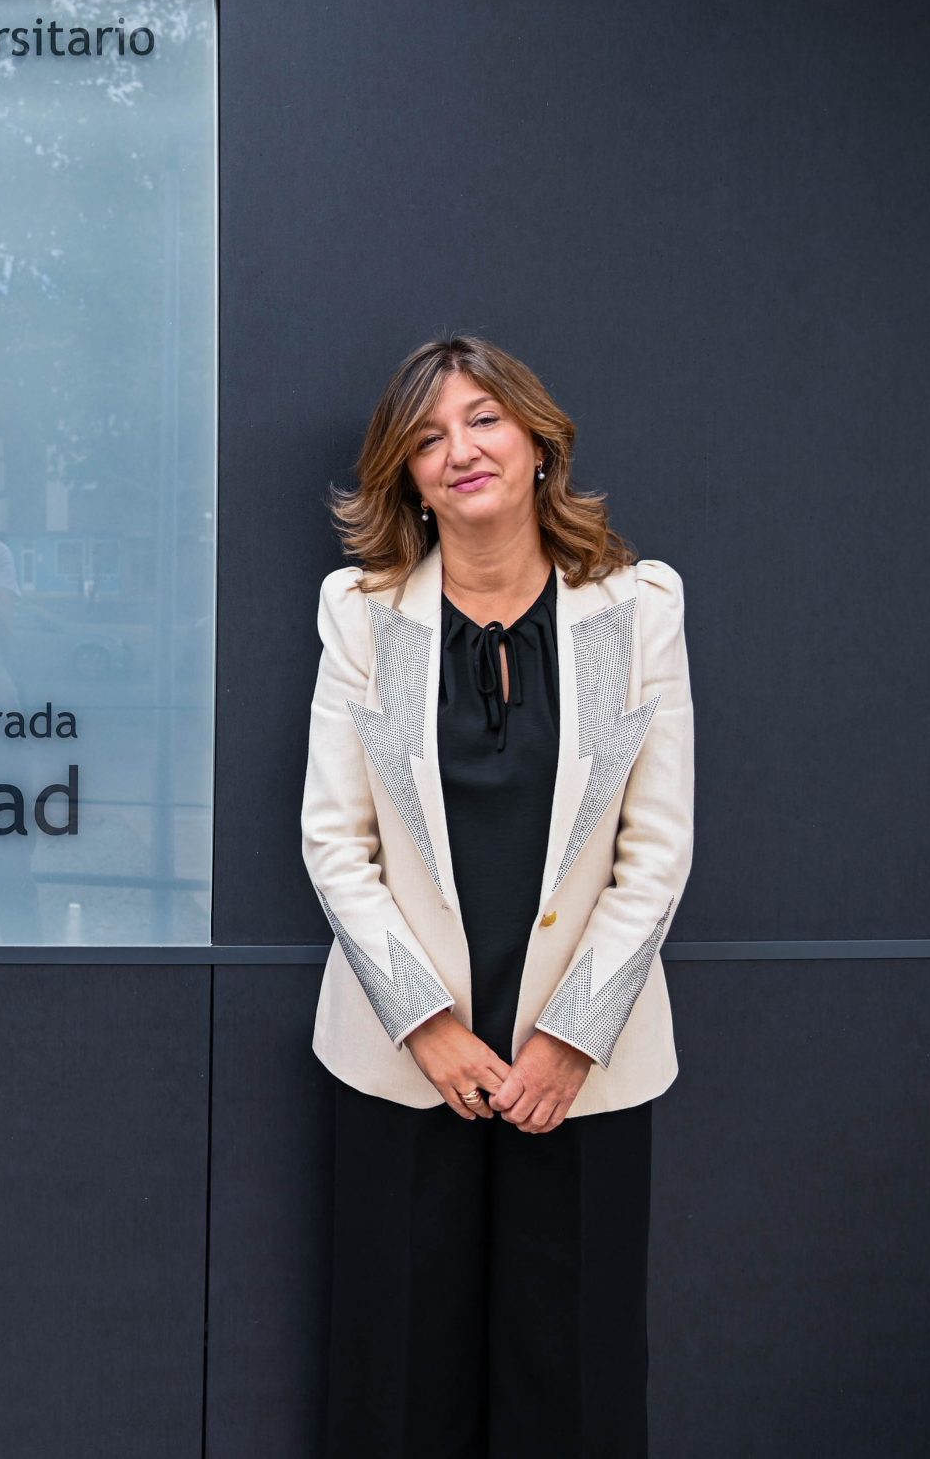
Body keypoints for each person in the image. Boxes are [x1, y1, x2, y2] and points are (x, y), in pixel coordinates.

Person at [302, 338, 694, 1457]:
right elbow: (335, 840)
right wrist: (426, 1025)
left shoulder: (638, 607)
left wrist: (573, 1035)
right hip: (399, 1055)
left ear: (536, 442)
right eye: (426, 436)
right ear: (404, 476)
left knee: (572, 1378)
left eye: (481, 420)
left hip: (586, 1061)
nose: (457, 449)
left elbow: (654, 847)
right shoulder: (360, 612)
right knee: (396, 1381)